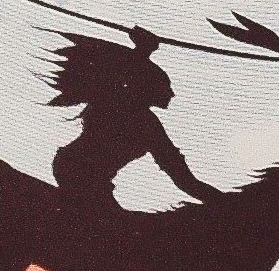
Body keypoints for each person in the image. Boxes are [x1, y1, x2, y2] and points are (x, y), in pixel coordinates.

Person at [46, 24, 221, 216]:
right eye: (166, 86)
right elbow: (183, 179)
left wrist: (143, 51)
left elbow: (183, 178)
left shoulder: (127, 110)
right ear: (147, 89)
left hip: (78, 170)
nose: (172, 93)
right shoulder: (134, 115)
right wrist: (142, 51)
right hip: (81, 173)